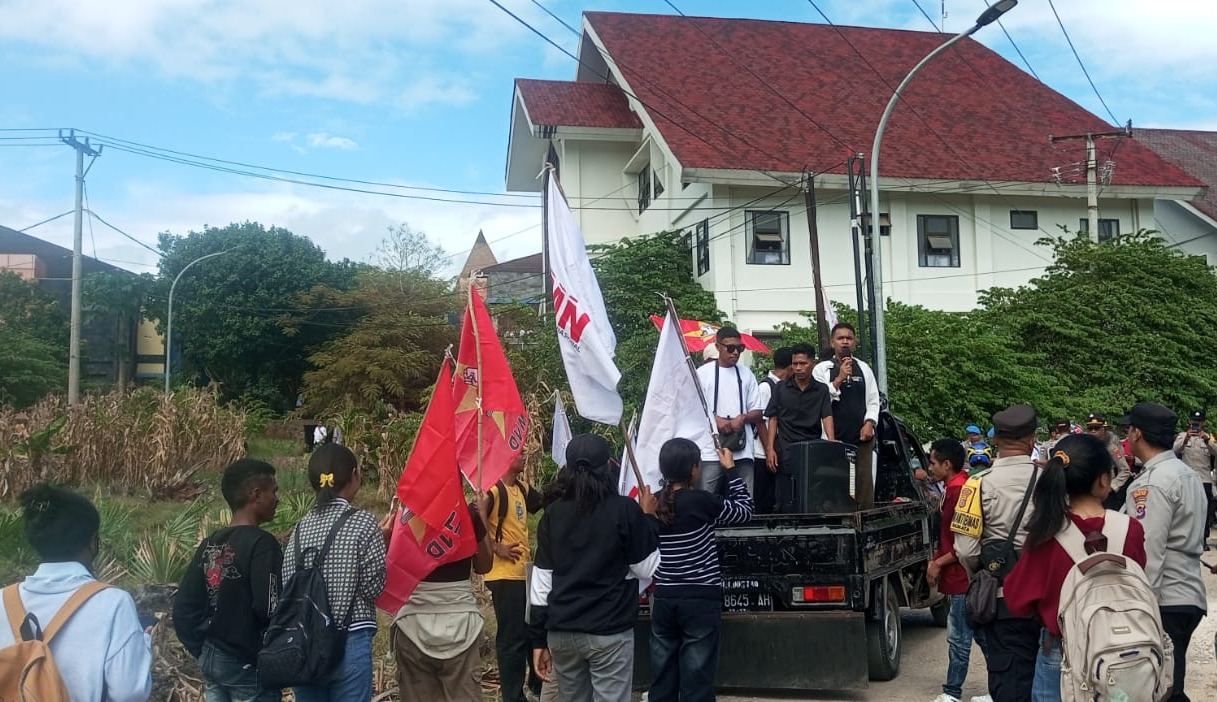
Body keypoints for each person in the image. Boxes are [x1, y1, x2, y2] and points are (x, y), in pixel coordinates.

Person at [1003, 433, 1148, 701]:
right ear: (1104, 479)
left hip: (1062, 652)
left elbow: (1016, 599)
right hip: (1124, 649)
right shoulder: (1130, 529)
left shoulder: (1046, 533)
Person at [529, 434, 660, 702]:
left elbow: (542, 583)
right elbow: (647, 568)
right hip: (609, 632)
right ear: (608, 467)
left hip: (562, 632)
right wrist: (648, 518)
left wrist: (538, 640)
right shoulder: (625, 510)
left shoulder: (552, 513)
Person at [0, 484, 152, 701]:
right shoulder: (113, 603)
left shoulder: (2, 600)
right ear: (92, 542)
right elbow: (130, 693)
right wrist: (144, 646)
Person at [649, 439, 754, 702]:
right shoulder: (702, 501)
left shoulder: (652, 505)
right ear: (694, 469)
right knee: (697, 681)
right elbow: (744, 512)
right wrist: (730, 469)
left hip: (663, 599)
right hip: (700, 599)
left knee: (662, 679)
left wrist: (645, 515)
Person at [951, 404, 1042, 702]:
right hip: (1049, 600)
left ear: (995, 440)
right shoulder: (1053, 481)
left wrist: (984, 574)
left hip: (1002, 600)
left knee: (1008, 680)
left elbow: (965, 550)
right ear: (1032, 440)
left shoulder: (976, 485)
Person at [283, 443, 388, 702]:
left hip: (304, 643)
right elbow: (372, 587)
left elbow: (288, 585)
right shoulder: (363, 522)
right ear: (354, 475)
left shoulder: (299, 529)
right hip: (350, 638)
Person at [173, 459, 283, 702]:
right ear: (256, 494)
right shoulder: (263, 544)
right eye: (273, 491)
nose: (278, 498)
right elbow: (270, 607)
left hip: (213, 659)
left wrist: (201, 650)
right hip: (247, 666)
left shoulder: (210, 543)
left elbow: (183, 607)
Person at [1120, 402, 1208, 702]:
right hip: (1185, 591)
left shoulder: (1153, 483)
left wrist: (1139, 609)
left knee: (1160, 691)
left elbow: (1149, 551)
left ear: (1137, 433)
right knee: (1170, 686)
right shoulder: (1185, 474)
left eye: (1128, 429)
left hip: (1163, 600)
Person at [393, 488, 494, 701]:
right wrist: (480, 515)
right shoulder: (467, 515)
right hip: (461, 629)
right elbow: (484, 565)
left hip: (412, 626)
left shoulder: (406, 517)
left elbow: (392, 567)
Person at [926, 440, 990, 702]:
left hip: (961, 576)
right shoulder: (959, 486)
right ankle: (1002, 685)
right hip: (963, 575)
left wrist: (937, 563)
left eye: (932, 462)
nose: (929, 468)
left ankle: (952, 692)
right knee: (982, 637)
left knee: (960, 638)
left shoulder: (957, 491)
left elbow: (962, 542)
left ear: (947, 464)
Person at [482, 456, 546, 702]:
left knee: (531, 632)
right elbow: (473, 521)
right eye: (518, 453)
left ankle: (535, 686)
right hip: (504, 575)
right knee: (512, 638)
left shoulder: (520, 488)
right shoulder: (493, 491)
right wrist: (497, 548)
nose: (525, 457)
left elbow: (542, 501)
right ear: (505, 458)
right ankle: (513, 696)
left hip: (524, 574)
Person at [812, 323, 881, 509]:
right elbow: (818, 400)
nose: (845, 342)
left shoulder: (864, 368)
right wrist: (839, 379)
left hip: (860, 437)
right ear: (833, 342)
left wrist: (870, 422)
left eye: (849, 338)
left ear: (855, 343)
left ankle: (864, 522)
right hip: (832, 438)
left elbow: (874, 400)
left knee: (863, 484)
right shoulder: (821, 369)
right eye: (840, 338)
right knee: (834, 483)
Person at [696, 327, 763, 494]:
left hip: (742, 449)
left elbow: (758, 412)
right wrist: (715, 421)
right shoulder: (702, 373)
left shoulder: (746, 374)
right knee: (706, 497)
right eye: (730, 348)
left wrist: (742, 419)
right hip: (710, 450)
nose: (735, 353)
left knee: (745, 498)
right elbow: (691, 409)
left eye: (740, 348)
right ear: (718, 346)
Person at [765, 342, 835, 474]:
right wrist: (770, 449)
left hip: (813, 449)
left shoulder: (821, 389)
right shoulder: (780, 387)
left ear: (813, 363)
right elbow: (773, 418)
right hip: (786, 450)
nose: (798, 368)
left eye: (803, 364)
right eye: (795, 363)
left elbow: (827, 416)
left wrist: (831, 440)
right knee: (786, 491)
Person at [753, 346, 792, 514]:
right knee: (764, 497)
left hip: (777, 450)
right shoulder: (765, 388)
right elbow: (760, 421)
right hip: (762, 453)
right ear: (790, 367)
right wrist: (768, 449)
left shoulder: (784, 387)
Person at [1173, 409, 1217, 539]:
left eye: (1199, 421)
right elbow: (1175, 450)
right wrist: (1186, 438)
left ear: (1203, 422)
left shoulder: (1209, 436)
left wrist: (1207, 440)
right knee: (1187, 509)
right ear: (1189, 421)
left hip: (1204, 479)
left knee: (1204, 510)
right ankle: (1187, 537)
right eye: (1194, 421)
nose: (1196, 424)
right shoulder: (1182, 435)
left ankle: (1203, 538)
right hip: (1187, 479)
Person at [1084, 413, 1131, 509]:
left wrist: (1112, 486)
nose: (1093, 431)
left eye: (1096, 428)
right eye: (1090, 429)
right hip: (1088, 492)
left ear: (1103, 429)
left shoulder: (1111, 446)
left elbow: (1125, 470)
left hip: (1105, 493)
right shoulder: (1084, 445)